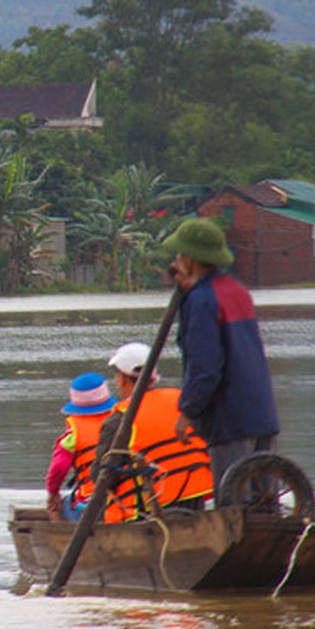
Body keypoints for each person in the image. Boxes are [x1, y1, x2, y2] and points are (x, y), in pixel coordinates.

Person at [163, 218, 279, 496]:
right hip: (262, 412)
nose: (176, 260)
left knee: (233, 505)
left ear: (190, 259)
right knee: (265, 508)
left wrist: (187, 411)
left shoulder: (202, 300)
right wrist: (185, 289)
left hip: (231, 418)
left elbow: (205, 367)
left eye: (180, 255)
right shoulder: (237, 291)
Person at [93, 342, 213, 522]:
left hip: (145, 511)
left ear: (122, 380)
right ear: (154, 376)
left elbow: (101, 477)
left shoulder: (120, 419)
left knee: (99, 501)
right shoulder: (182, 401)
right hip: (193, 501)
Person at [45, 372, 117, 521]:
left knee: (58, 507)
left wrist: (53, 494)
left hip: (92, 501)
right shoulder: (123, 421)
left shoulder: (73, 434)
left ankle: (62, 535)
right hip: (128, 497)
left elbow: (58, 468)